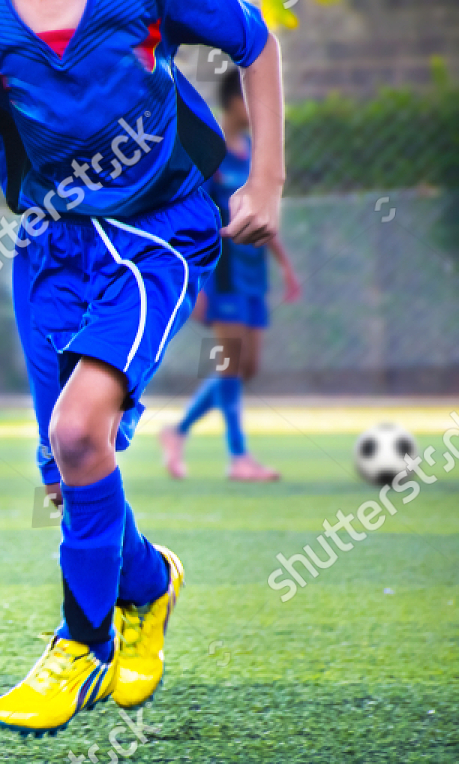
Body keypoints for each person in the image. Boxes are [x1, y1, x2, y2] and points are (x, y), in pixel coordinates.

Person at [0, 0, 284, 735]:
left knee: (76, 433)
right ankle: (150, 582)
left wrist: (266, 181)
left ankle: (82, 644)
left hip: (157, 234)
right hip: (50, 251)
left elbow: (255, 42)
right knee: (65, 477)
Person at [160, 68, 301, 482]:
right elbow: (192, 220)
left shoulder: (254, 152)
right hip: (221, 275)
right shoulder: (210, 153)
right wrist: (194, 280)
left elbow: (261, 210)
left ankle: (178, 430)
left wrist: (285, 264)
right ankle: (238, 457)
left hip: (253, 274)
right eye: (249, 99)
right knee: (228, 361)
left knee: (245, 366)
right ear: (234, 103)